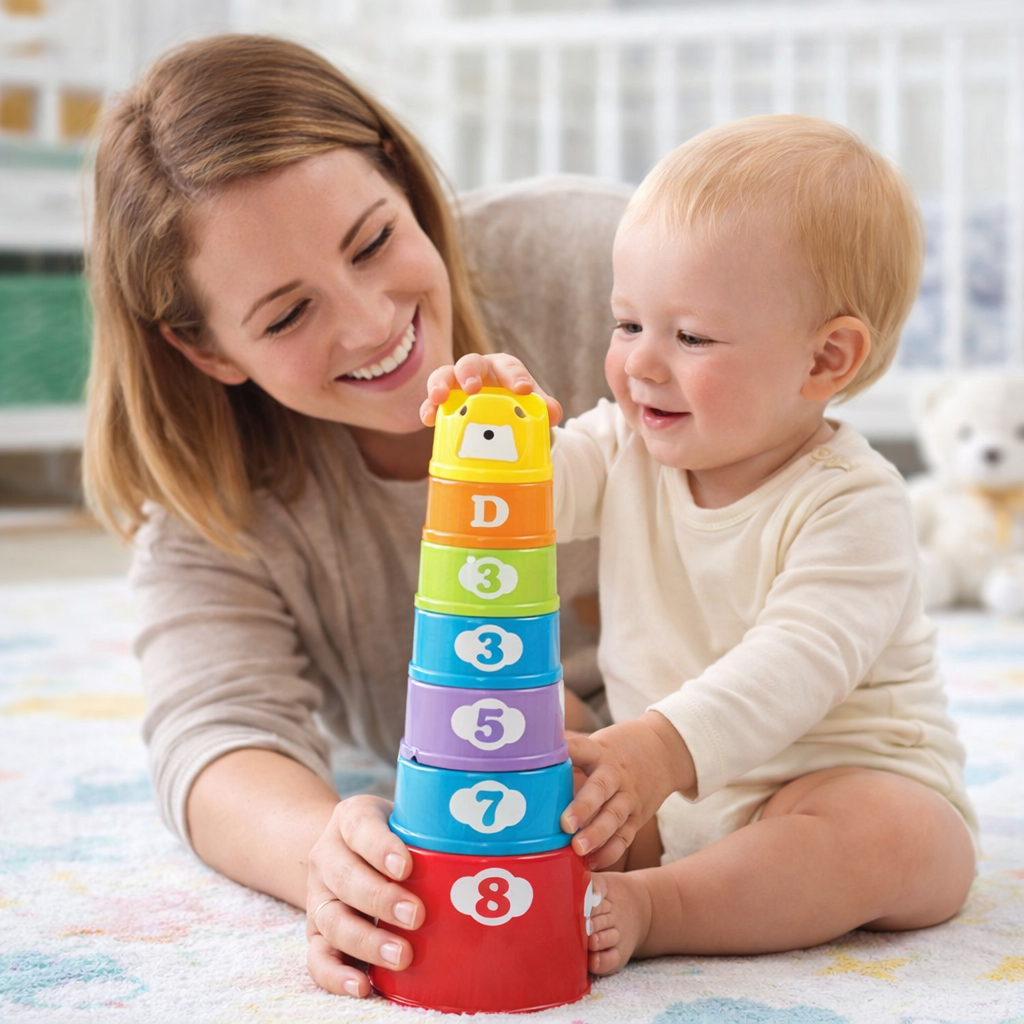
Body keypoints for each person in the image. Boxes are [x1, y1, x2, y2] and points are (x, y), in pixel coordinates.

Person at [82, 33, 630, 998]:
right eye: (287, 315)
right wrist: (325, 853)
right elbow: (214, 734)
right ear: (209, 352)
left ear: (399, 174)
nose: (374, 323)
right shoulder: (217, 498)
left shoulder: (602, 262)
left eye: (373, 242)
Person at [423, 114, 979, 975]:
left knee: (896, 836)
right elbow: (522, 503)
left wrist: (656, 749)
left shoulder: (854, 501)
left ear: (825, 359)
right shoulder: (624, 443)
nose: (642, 365)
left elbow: (796, 661)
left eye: (688, 337)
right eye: (626, 325)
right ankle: (586, 865)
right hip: (662, 794)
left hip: (822, 785)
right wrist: (493, 433)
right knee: (537, 721)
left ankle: (663, 906)